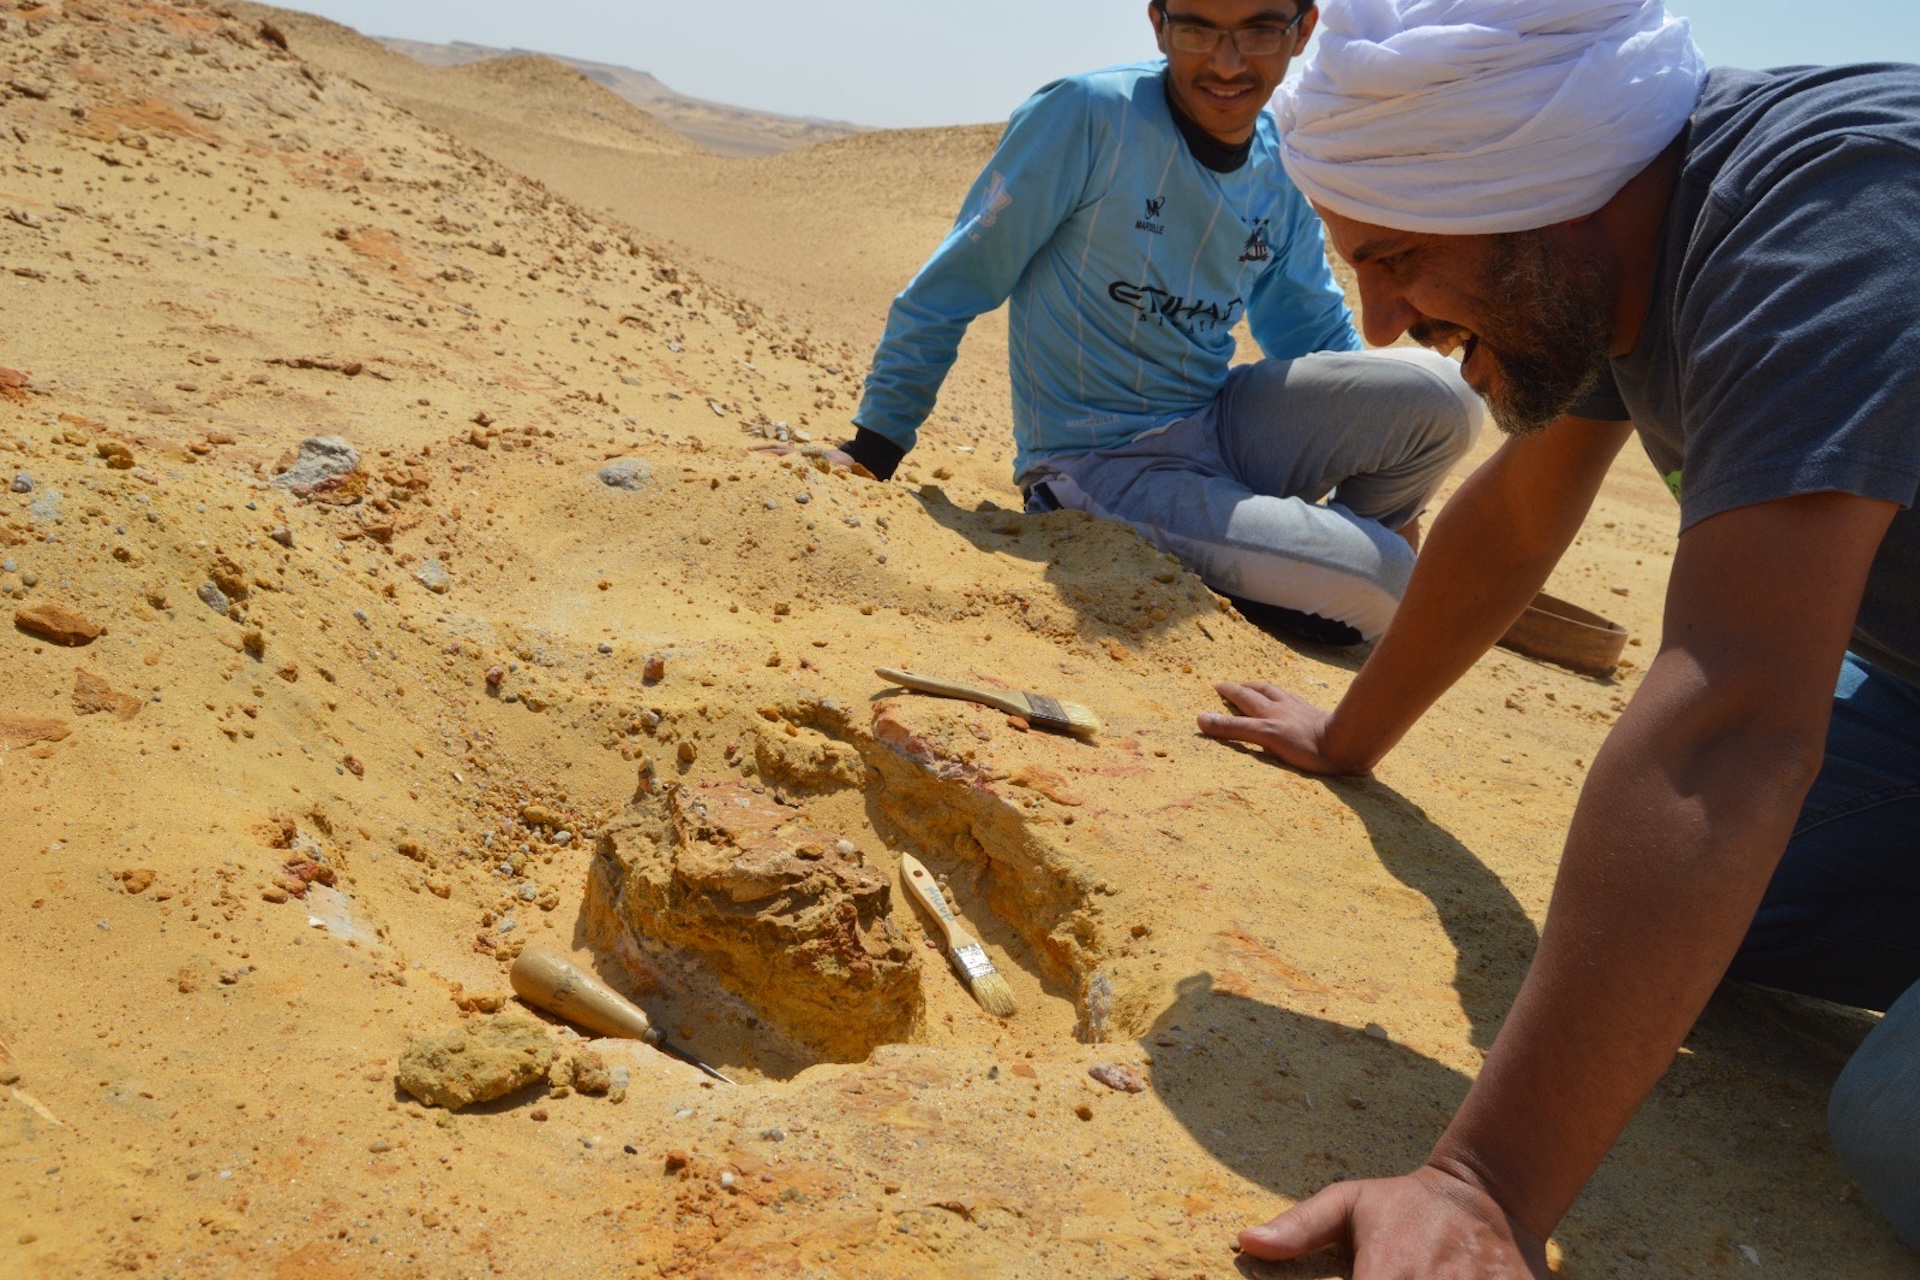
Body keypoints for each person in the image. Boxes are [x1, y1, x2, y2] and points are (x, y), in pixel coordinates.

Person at [1194, 0, 1920, 1272]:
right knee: (1698, 924)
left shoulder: (1834, 216)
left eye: (1398, 255)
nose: (1376, 321)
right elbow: (1517, 519)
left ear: (1539, 191)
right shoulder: (1609, 242)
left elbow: (1738, 717)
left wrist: (1483, 1186)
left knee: (1897, 1119)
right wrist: (1349, 732)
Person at [831, 0, 1483, 645]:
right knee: (1390, 579)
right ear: (1161, 24)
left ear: (1302, 30)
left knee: (1446, 397)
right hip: (1103, 461)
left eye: (1259, 29)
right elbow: (958, 281)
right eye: (1199, 27)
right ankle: (1326, 568)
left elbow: (1311, 331)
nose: (1227, 62)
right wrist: (874, 448)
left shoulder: (1280, 158)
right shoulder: (1088, 117)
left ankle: (1311, 558)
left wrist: (1379, 453)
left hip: (1221, 424)